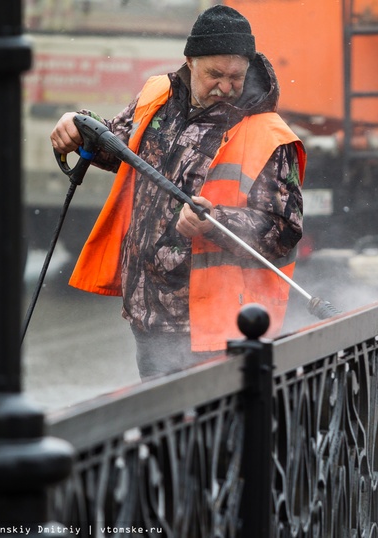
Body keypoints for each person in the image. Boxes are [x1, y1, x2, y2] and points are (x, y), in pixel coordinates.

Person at [49, 5, 306, 380]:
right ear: (190, 61)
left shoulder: (269, 135)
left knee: (211, 432)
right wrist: (76, 126)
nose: (225, 86)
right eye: (215, 75)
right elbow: (119, 147)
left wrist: (215, 221)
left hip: (217, 327)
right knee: (164, 431)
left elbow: (285, 228)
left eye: (236, 76)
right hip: (148, 315)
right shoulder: (157, 95)